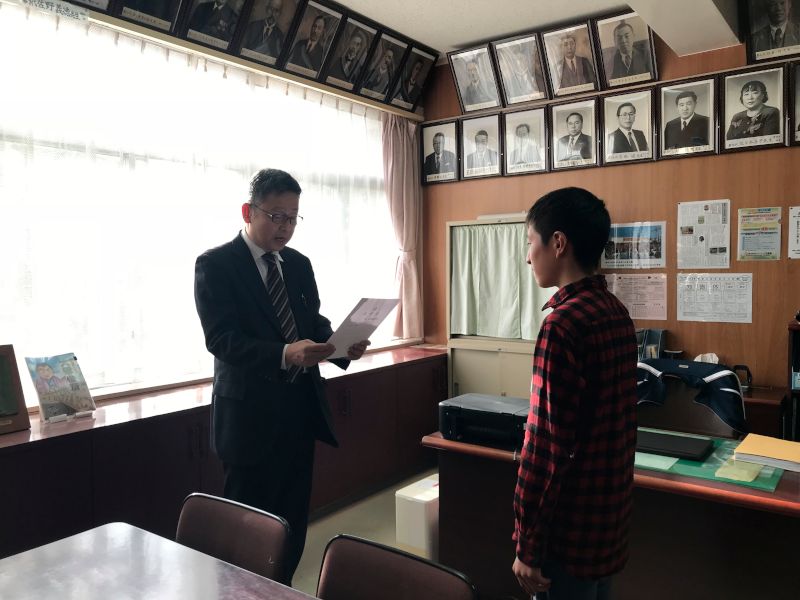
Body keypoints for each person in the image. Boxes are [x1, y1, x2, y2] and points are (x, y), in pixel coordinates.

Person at [194, 168, 369, 585]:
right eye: (276, 216)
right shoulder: (216, 265)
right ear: (248, 211)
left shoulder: (298, 264)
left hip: (298, 414)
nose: (285, 227)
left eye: (293, 217)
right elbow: (221, 339)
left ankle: (282, 589)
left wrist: (342, 345)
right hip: (248, 420)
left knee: (291, 522)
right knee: (246, 527)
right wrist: (284, 353)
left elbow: (312, 321)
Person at [512, 187, 637, 599]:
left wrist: (527, 542)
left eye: (530, 241)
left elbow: (546, 448)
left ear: (558, 243)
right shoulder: (616, 312)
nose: (528, 256)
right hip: (606, 527)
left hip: (565, 536)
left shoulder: (561, 326)